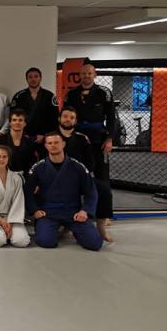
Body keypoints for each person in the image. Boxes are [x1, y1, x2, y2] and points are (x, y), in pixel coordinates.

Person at [63, 63, 115, 242]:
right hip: (77, 139)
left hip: (98, 140)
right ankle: (72, 215)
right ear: (80, 75)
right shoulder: (72, 94)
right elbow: (66, 116)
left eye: (89, 73)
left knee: (102, 178)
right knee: (75, 176)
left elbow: (111, 117)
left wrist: (110, 138)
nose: (86, 76)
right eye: (84, 73)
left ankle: (103, 217)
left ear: (95, 74)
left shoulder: (104, 92)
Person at [25, 133, 103, 251]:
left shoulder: (78, 167)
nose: (53, 145)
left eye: (56, 142)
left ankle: (76, 231)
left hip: (73, 212)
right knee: (46, 241)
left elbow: (91, 192)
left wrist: (85, 211)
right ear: (45, 146)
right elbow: (28, 191)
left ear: (63, 144)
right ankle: (50, 228)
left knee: (94, 243)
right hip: (48, 212)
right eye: (50, 143)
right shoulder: (38, 167)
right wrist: (34, 210)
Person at [10, 67, 58, 144]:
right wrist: (21, 134)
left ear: (40, 78)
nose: (33, 79)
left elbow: (54, 118)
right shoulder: (19, 96)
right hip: (23, 136)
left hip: (44, 137)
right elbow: (13, 117)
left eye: (36, 76)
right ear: (27, 79)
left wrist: (45, 135)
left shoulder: (49, 96)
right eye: (30, 77)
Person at [0, 109, 38, 176]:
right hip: (2, 176)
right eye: (14, 120)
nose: (17, 122)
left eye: (20, 120)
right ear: (10, 123)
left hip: (24, 178)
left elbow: (32, 164)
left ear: (25, 123)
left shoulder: (30, 143)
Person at [58, 106, 94, 170]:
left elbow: (90, 164)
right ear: (59, 118)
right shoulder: (50, 138)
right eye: (65, 116)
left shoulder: (83, 139)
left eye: (72, 118)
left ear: (75, 121)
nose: (68, 119)